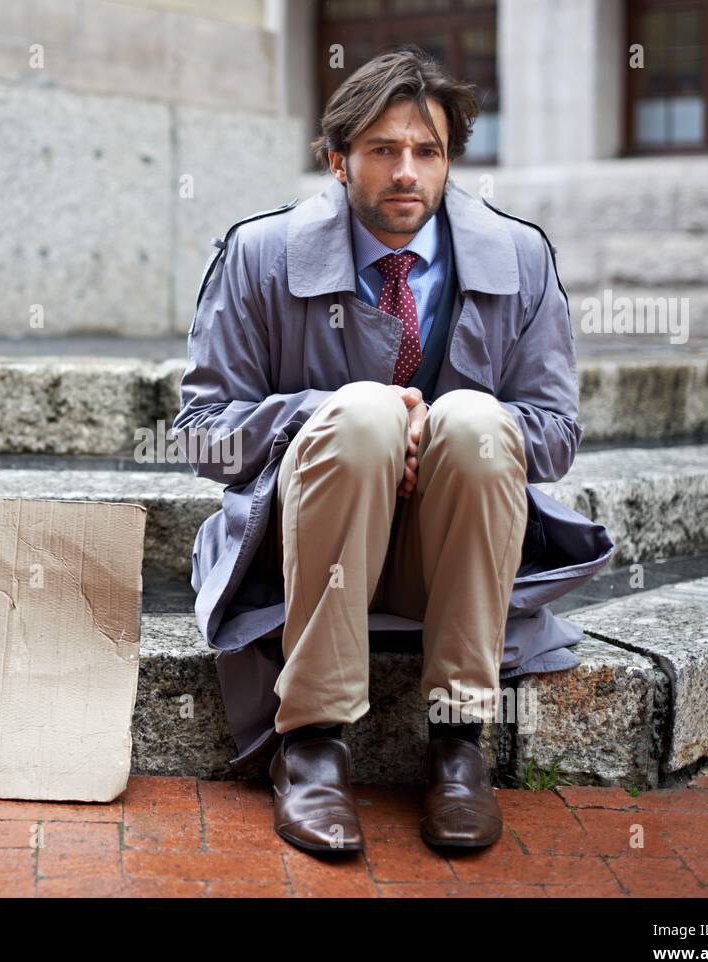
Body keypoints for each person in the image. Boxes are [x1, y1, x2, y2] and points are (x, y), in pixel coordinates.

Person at [174, 46, 615, 855]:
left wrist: (440, 428)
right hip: (301, 548)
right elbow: (202, 429)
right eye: (382, 150)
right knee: (366, 413)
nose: (406, 171)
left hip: (444, 554)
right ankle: (311, 746)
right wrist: (332, 416)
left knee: (480, 424)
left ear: (449, 162)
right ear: (339, 161)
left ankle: (458, 748)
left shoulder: (518, 258)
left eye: (427, 151)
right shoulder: (260, 255)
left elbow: (553, 437)